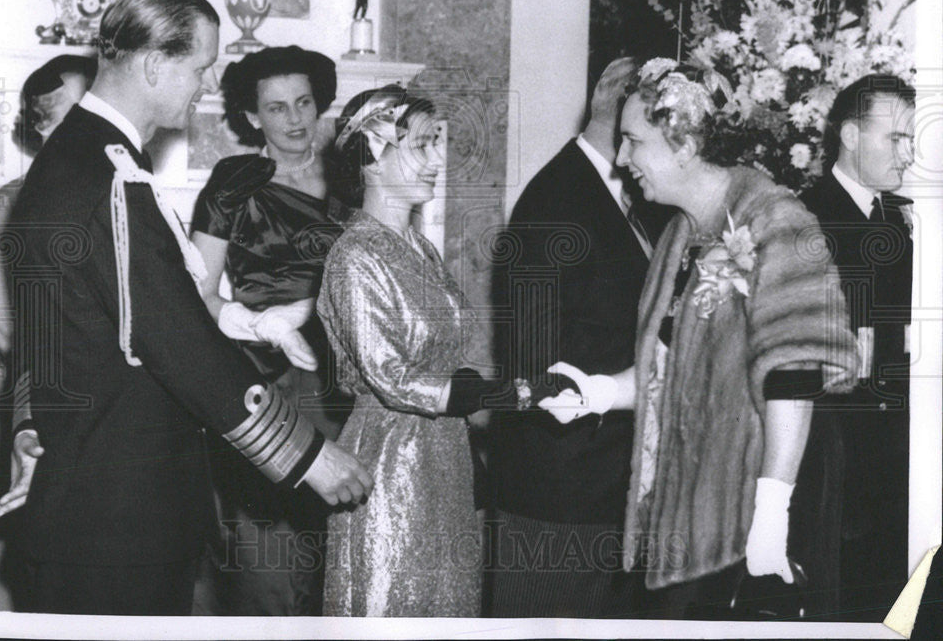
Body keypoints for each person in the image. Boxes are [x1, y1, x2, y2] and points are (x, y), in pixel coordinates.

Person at [1, 0, 372, 615]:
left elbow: (73, 321)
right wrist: (305, 455)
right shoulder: (106, 176)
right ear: (154, 64)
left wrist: (40, 429)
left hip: (98, 495)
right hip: (120, 514)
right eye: (199, 67)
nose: (204, 85)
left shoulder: (85, 159)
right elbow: (174, 337)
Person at [541, 58, 859, 618]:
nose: (621, 160)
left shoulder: (777, 219)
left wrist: (772, 513)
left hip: (768, 492)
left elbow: (795, 374)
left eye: (633, 142)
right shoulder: (681, 234)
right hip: (699, 503)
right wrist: (599, 392)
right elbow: (671, 366)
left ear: (683, 144)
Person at [318, 85, 528, 617]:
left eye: (438, 143)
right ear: (371, 153)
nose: (438, 159)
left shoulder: (420, 246)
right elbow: (390, 375)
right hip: (389, 464)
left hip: (445, 455)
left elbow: (443, 354)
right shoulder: (354, 254)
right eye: (421, 145)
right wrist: (497, 394)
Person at [486, 57, 665, 618]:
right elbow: (538, 363)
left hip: (607, 484)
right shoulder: (555, 202)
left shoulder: (626, 196)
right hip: (561, 491)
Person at [190, 45, 347, 615]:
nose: (295, 118)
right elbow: (198, 295)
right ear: (252, 117)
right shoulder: (234, 180)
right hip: (267, 383)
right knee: (269, 562)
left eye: (304, 102)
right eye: (277, 108)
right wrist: (256, 323)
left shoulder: (350, 175)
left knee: (341, 553)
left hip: (346, 379)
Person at [0, 55, 95, 608]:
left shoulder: (130, 197)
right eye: (75, 116)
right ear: (39, 128)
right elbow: (5, 334)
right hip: (33, 397)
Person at [799, 74, 916, 620]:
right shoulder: (805, 218)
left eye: (910, 139)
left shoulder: (898, 219)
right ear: (849, 135)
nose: (907, 153)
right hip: (832, 453)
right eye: (895, 138)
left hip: (893, 453)